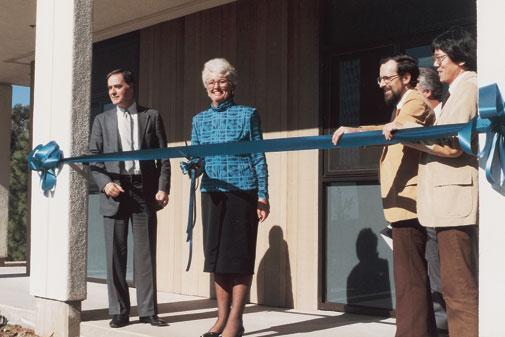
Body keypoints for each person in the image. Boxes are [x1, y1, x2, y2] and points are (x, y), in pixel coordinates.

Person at [333, 55, 437, 337]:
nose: (381, 85)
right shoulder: (403, 105)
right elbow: (388, 128)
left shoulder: (413, 101)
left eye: (387, 78)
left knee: (409, 280)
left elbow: (403, 125)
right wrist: (356, 131)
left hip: (409, 204)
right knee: (410, 278)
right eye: (379, 78)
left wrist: (379, 129)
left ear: (406, 78)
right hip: (403, 205)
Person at [394, 27, 478, 337]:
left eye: (441, 57)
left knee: (459, 291)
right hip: (447, 205)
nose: (436, 64)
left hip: (455, 204)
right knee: (453, 288)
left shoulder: (469, 86)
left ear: (460, 58)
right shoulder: (460, 90)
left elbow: (453, 142)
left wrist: (408, 136)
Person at [191, 58, 269, 337]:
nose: (216, 86)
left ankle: (235, 320)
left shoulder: (249, 114)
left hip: (242, 192)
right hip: (212, 193)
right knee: (217, 260)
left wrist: (263, 195)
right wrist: (190, 164)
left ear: (232, 84)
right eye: (211, 82)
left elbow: (258, 155)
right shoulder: (198, 120)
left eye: (221, 81)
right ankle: (221, 318)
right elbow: (197, 158)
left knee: (238, 258)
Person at [89, 69, 171, 328]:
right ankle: (119, 312)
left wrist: (163, 187)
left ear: (131, 87)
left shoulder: (151, 116)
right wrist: (105, 185)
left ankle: (148, 311)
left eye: (117, 86)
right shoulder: (101, 120)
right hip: (115, 192)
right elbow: (93, 159)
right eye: (110, 87)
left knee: (145, 255)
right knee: (115, 256)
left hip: (143, 191)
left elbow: (164, 157)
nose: (112, 91)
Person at [416, 67, 448, 333]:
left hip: (446, 207)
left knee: (443, 278)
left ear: (426, 92)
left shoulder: (444, 116)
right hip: (425, 206)